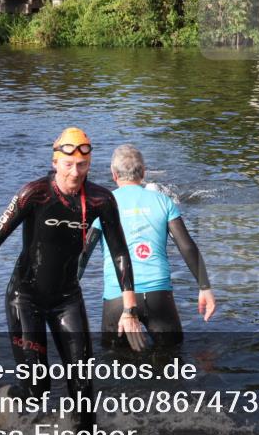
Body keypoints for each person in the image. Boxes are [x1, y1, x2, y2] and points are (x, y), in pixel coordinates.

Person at [0, 128, 146, 429]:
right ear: (55, 162)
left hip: (67, 298)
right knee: (37, 389)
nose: (76, 173)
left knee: (83, 386)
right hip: (25, 298)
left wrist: (129, 310)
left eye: (83, 166)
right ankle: (7, 398)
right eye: (69, 165)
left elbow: (120, 253)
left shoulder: (102, 200)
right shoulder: (34, 194)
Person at [80, 145, 215, 348]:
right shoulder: (164, 201)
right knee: (173, 361)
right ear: (143, 173)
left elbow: (83, 253)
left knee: (114, 367)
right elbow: (187, 246)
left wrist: (66, 291)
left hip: (118, 297)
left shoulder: (103, 203)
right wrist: (204, 287)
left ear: (113, 174)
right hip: (158, 296)